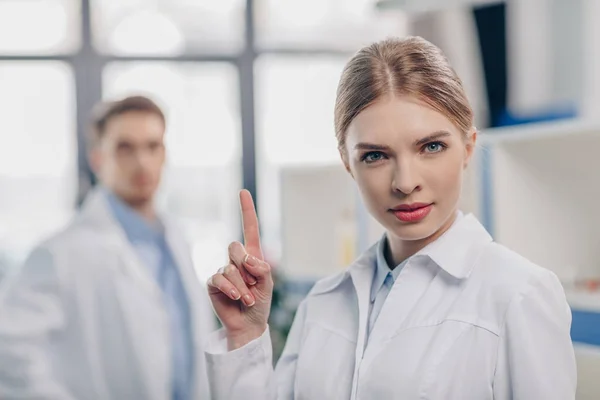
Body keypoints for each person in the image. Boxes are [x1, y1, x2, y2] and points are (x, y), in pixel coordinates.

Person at [203, 37, 577, 399]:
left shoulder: (520, 295)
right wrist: (244, 338)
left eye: (432, 147)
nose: (405, 183)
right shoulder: (324, 301)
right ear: (348, 163)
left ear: (467, 147)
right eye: (375, 156)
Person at [0, 95, 216, 399]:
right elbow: (10, 356)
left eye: (152, 147)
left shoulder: (176, 239)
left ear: (164, 154)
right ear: (98, 158)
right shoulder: (60, 252)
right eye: (125, 148)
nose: (142, 162)